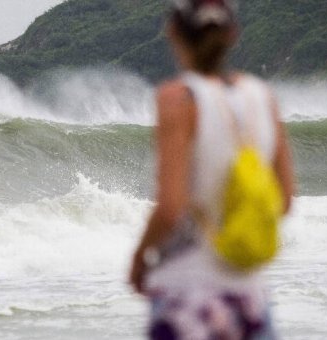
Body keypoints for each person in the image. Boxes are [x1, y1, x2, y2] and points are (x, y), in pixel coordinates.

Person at [128, 0, 295, 339]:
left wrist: (138, 261)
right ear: (233, 33)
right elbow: (285, 199)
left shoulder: (178, 98)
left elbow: (170, 208)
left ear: (173, 30)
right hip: (250, 298)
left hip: (187, 295)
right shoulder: (263, 97)